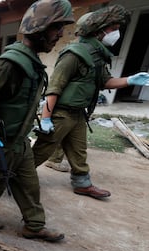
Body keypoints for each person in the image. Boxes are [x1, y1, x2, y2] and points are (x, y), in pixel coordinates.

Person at [0, 0, 74, 242]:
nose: (60, 35)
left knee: (29, 185)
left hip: (20, 141)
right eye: (57, 28)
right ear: (40, 28)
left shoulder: (32, 62)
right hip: (0, 142)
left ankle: (34, 226)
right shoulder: (12, 63)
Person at [32, 4, 149, 200]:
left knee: (79, 152)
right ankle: (14, 177)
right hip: (61, 114)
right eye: (113, 29)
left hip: (78, 114)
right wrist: (46, 119)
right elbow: (55, 87)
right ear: (98, 30)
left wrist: (130, 80)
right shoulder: (74, 54)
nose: (116, 33)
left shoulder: (98, 55)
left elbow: (105, 82)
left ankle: (82, 184)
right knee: (42, 151)